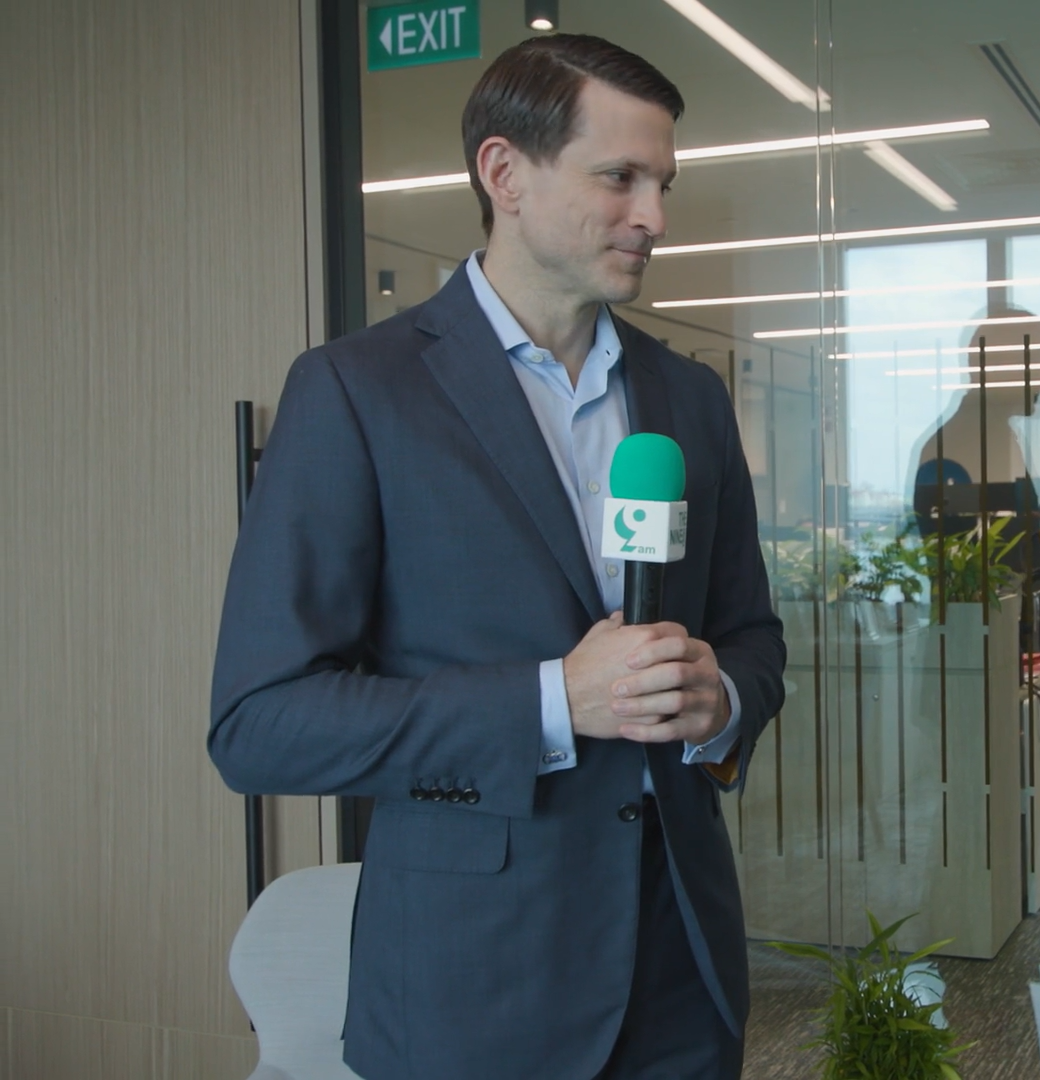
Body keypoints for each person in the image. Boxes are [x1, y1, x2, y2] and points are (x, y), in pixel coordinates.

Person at [208, 35, 784, 1080]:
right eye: (620, 178)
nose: (654, 216)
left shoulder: (689, 399)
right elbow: (262, 724)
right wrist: (556, 700)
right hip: (473, 986)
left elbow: (752, 636)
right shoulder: (358, 392)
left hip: (682, 971)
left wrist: (722, 702)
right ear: (504, 173)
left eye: (663, 182)